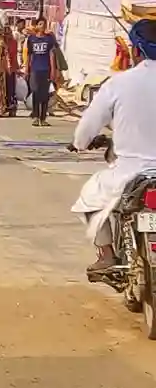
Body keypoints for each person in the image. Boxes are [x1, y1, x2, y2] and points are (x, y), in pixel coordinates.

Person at [72, 20, 156, 273]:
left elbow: (87, 128)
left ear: (135, 51)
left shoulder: (118, 84)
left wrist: (80, 144)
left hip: (130, 173)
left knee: (89, 198)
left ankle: (107, 254)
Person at [25, 19, 63, 125]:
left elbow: (52, 55)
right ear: (36, 26)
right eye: (40, 24)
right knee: (36, 92)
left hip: (45, 69)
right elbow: (29, 55)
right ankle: (36, 116)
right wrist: (27, 69)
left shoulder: (48, 39)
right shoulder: (31, 39)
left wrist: (53, 70)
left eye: (44, 24)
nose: (42, 26)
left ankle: (43, 118)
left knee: (45, 94)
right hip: (35, 69)